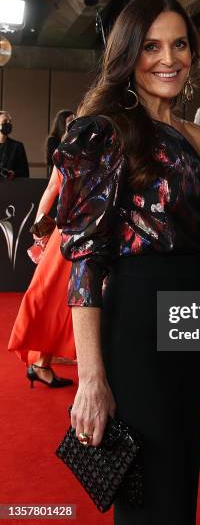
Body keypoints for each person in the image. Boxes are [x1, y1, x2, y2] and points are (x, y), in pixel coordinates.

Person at [54, 0, 200, 524]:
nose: (169, 59)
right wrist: (92, 378)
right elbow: (85, 263)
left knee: (181, 483)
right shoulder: (104, 131)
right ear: (128, 54)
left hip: (196, 326)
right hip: (138, 328)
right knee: (150, 501)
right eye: (151, 47)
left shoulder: (197, 137)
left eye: (179, 45)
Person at [8, 162, 75, 387]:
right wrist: (40, 237)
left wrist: (40, 237)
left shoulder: (70, 148)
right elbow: (50, 190)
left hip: (72, 234)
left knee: (57, 300)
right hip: (73, 234)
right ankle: (41, 364)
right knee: (56, 300)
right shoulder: (76, 150)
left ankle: (41, 364)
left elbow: (50, 190)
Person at [0, 110, 29, 178]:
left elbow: (25, 173)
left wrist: (14, 174)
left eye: (10, 122)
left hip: (10, 186)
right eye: (5, 121)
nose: (8, 123)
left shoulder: (17, 146)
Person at [46, 110, 75, 176]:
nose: (73, 124)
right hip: (58, 174)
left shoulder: (74, 138)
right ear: (62, 123)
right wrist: (66, 135)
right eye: (70, 121)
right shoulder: (52, 140)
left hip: (71, 174)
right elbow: (55, 159)